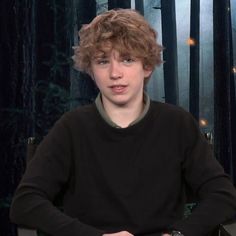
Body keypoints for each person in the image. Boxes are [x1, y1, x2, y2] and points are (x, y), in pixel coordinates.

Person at [10, 9, 236, 236]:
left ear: (146, 66)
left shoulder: (177, 124)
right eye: (102, 61)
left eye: (127, 59)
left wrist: (179, 234)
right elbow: (26, 202)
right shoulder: (72, 127)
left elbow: (223, 195)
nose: (114, 73)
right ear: (91, 70)